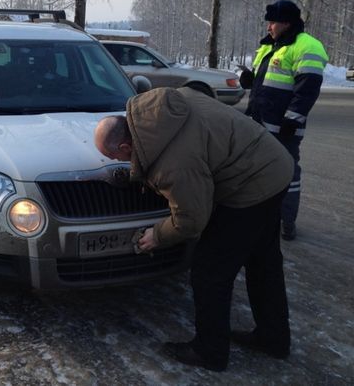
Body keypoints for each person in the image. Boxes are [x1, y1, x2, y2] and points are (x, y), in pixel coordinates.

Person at [94, 87, 294, 372]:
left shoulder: (174, 165)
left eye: (116, 157)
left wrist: (157, 235)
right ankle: (273, 338)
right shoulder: (161, 107)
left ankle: (209, 351)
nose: (118, 162)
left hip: (251, 185)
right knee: (264, 262)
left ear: (125, 147)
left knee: (210, 272)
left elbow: (190, 220)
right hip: (273, 161)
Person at [240, 0, 328, 240]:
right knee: (257, 173)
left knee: (288, 175)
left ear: (286, 23)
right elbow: (265, 82)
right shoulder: (271, 46)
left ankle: (286, 222)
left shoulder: (307, 46)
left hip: (284, 129)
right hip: (258, 125)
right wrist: (249, 79)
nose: (268, 27)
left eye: (273, 22)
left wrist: (293, 119)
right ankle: (260, 218)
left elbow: (307, 90)